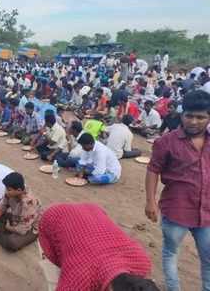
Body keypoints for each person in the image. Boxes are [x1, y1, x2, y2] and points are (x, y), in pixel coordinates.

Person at [145, 90, 210, 291]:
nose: (194, 121)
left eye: (201, 117)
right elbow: (153, 169)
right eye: (189, 115)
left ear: (209, 117)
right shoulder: (166, 142)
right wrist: (150, 202)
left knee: (208, 258)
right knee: (170, 253)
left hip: (207, 212)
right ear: (182, 115)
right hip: (176, 210)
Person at [39, 203, 159, 291]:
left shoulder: (142, 263)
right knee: (56, 278)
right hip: (54, 218)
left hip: (93, 212)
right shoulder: (79, 278)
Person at [0, 172, 42, 252]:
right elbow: (1, 209)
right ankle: (2, 231)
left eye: (9, 190)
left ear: (19, 190)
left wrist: (8, 227)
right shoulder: (11, 192)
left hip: (30, 227)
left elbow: (22, 230)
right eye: (6, 188)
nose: (6, 191)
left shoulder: (28, 203)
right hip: (17, 218)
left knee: (12, 243)